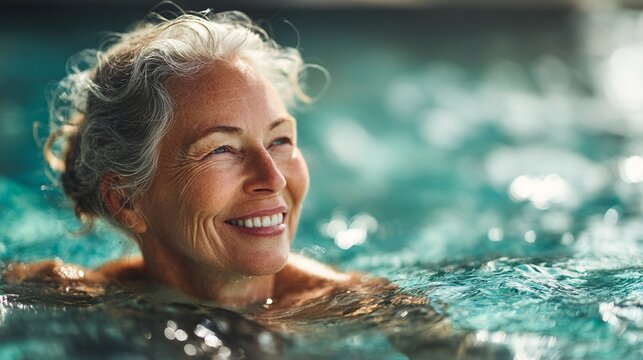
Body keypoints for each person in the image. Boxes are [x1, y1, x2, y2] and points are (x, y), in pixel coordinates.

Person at [4, 9, 360, 308]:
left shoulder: (362, 310)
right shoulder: (65, 304)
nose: (274, 178)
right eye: (220, 149)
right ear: (126, 200)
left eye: (280, 141)